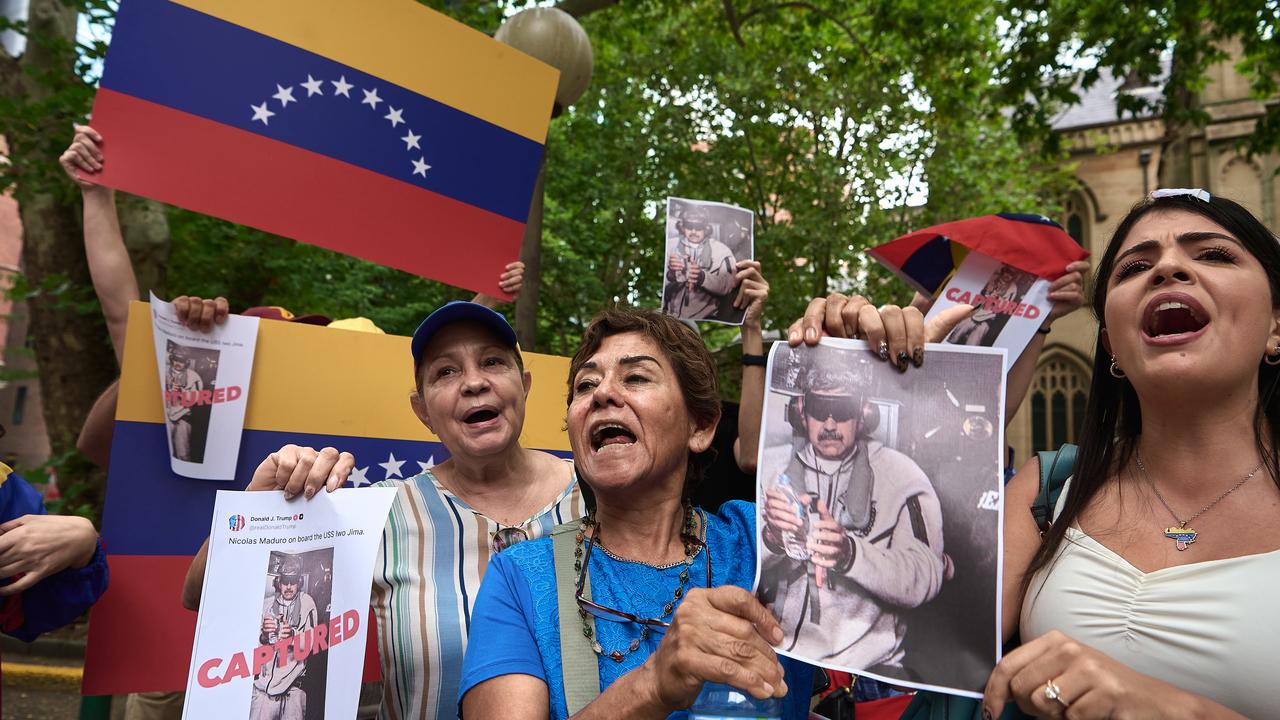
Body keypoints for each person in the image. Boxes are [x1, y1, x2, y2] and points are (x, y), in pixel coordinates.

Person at [183, 300, 585, 720]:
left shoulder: (599, 494)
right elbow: (200, 595)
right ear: (422, 410)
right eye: (445, 371)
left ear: (524, 385)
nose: (473, 383)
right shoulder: (383, 514)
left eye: (492, 362)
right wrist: (260, 504)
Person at [980, 191, 1280, 719]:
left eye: (1212, 254)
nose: (1168, 267)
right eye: (1135, 266)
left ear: (1276, 325)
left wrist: (1173, 709)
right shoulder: (1045, 492)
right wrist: (892, 375)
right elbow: (915, 642)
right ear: (1111, 344)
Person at [758, 346, 945, 672]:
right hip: (776, 659)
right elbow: (736, 564)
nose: (830, 423)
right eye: (820, 408)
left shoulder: (903, 476)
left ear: (863, 416)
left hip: (870, 672)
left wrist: (851, 555)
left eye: (842, 410)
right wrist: (772, 539)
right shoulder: (769, 468)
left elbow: (926, 575)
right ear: (802, 412)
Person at [252, 555, 318, 720]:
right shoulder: (265, 604)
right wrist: (264, 637)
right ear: (278, 583)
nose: (289, 586)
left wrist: (292, 636)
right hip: (262, 691)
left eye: (293, 581)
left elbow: (312, 643)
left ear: (300, 582)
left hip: (293, 693)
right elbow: (248, 646)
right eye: (285, 581)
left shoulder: (307, 603)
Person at [663, 206, 738, 320]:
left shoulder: (722, 250)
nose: (693, 231)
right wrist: (671, 274)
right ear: (682, 226)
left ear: (706, 228)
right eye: (689, 226)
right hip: (670, 317)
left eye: (698, 227)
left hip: (705, 319)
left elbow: (729, 284)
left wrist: (702, 277)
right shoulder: (670, 245)